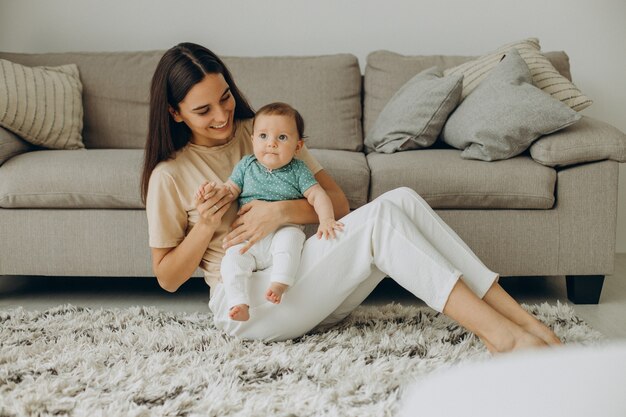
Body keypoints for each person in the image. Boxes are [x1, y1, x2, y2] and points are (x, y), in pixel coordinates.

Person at [141, 42, 561, 352]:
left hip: (295, 275)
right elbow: (169, 278)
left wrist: (280, 212)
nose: (222, 115)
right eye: (203, 111)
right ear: (175, 112)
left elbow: (338, 203)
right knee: (380, 224)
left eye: (225, 97)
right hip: (248, 304)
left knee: (402, 200)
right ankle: (501, 337)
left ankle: (527, 324)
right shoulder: (170, 174)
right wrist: (208, 227)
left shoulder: (267, 131)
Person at [196, 102, 343, 321]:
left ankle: (280, 283)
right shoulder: (246, 166)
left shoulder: (298, 170)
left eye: (282, 138)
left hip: (282, 232)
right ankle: (238, 302)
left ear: (297, 146)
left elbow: (318, 195)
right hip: (249, 239)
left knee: (291, 240)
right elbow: (229, 191)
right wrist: (211, 192)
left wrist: (327, 219)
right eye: (263, 136)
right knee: (231, 260)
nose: (271, 143)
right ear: (252, 139)